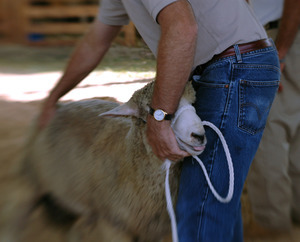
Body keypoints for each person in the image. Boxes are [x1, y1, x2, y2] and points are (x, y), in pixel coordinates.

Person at [37, 0, 280, 241]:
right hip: (234, 65)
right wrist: (54, 97)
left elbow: (182, 28)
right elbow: (96, 41)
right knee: (215, 197)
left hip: (233, 67)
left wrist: (159, 116)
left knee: (200, 202)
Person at [247, 0, 300, 232]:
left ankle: (273, 228)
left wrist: (279, 51)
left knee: (266, 133)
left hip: (284, 35)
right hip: (288, 36)